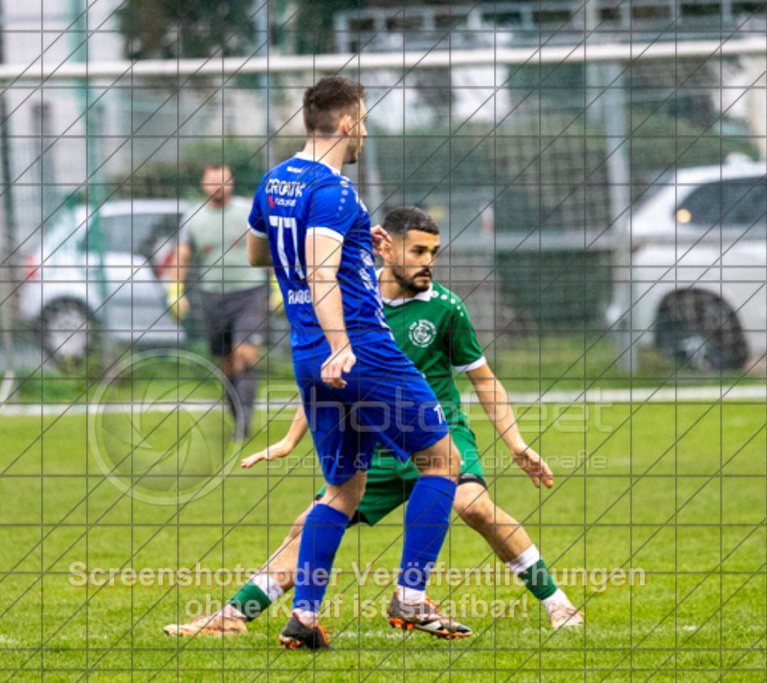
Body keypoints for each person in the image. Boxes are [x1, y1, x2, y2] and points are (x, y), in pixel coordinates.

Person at [164, 207, 583, 640]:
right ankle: (233, 616)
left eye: (434, 252)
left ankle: (559, 605)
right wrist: (291, 439)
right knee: (310, 524)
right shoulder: (350, 305)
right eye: (418, 250)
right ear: (387, 249)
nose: (429, 261)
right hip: (378, 444)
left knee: (474, 506)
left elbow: (484, 378)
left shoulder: (445, 309)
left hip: (439, 434)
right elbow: (329, 377)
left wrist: (515, 443)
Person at [240, 77, 468, 650]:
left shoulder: (276, 181)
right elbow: (320, 272)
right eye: (362, 120)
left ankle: (305, 618)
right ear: (345, 124)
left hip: (306, 354)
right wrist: (343, 341)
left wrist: (348, 244)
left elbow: (256, 251)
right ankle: (411, 597)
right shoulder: (334, 190)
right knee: (442, 460)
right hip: (358, 348)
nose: (363, 129)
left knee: (343, 488)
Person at [174, 164, 266, 440]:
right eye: (213, 183)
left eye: (223, 182)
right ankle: (238, 416)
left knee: (245, 354)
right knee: (226, 363)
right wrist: (174, 291)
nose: (218, 188)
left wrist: (277, 285)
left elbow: (270, 245)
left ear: (232, 183)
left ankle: (244, 424)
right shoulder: (192, 219)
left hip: (251, 292)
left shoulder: (248, 212)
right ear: (203, 185)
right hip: (213, 296)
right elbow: (182, 255)